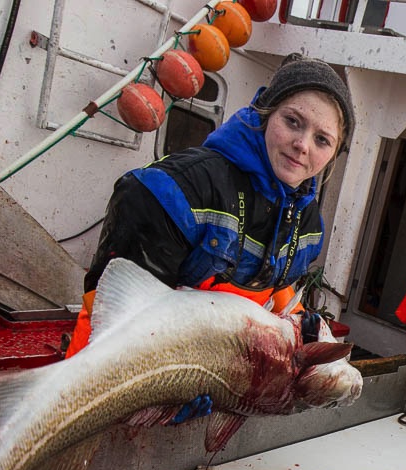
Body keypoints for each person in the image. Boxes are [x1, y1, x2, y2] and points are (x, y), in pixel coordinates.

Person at [65, 54, 354, 366]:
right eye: (292, 121)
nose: (303, 144)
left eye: (322, 139)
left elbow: (274, 287)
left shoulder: (308, 223)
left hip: (215, 369)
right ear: (264, 115)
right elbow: (113, 318)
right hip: (117, 365)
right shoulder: (179, 188)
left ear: (333, 155)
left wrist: (299, 325)